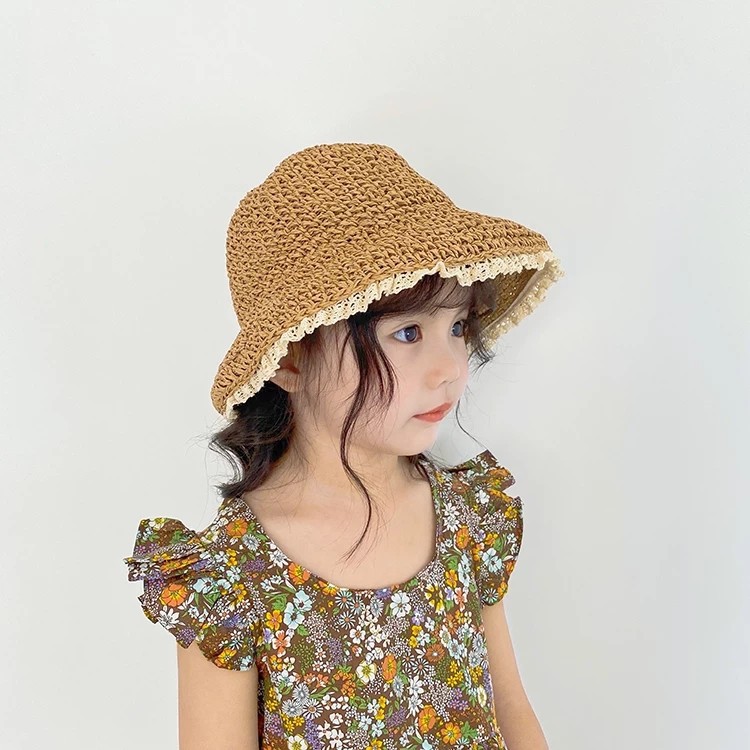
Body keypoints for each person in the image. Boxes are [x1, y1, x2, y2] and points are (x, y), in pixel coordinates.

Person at [123, 142, 565, 750]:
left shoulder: (467, 518)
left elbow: (510, 709)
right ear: (292, 360)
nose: (450, 368)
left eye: (458, 327)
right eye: (407, 332)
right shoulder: (231, 578)